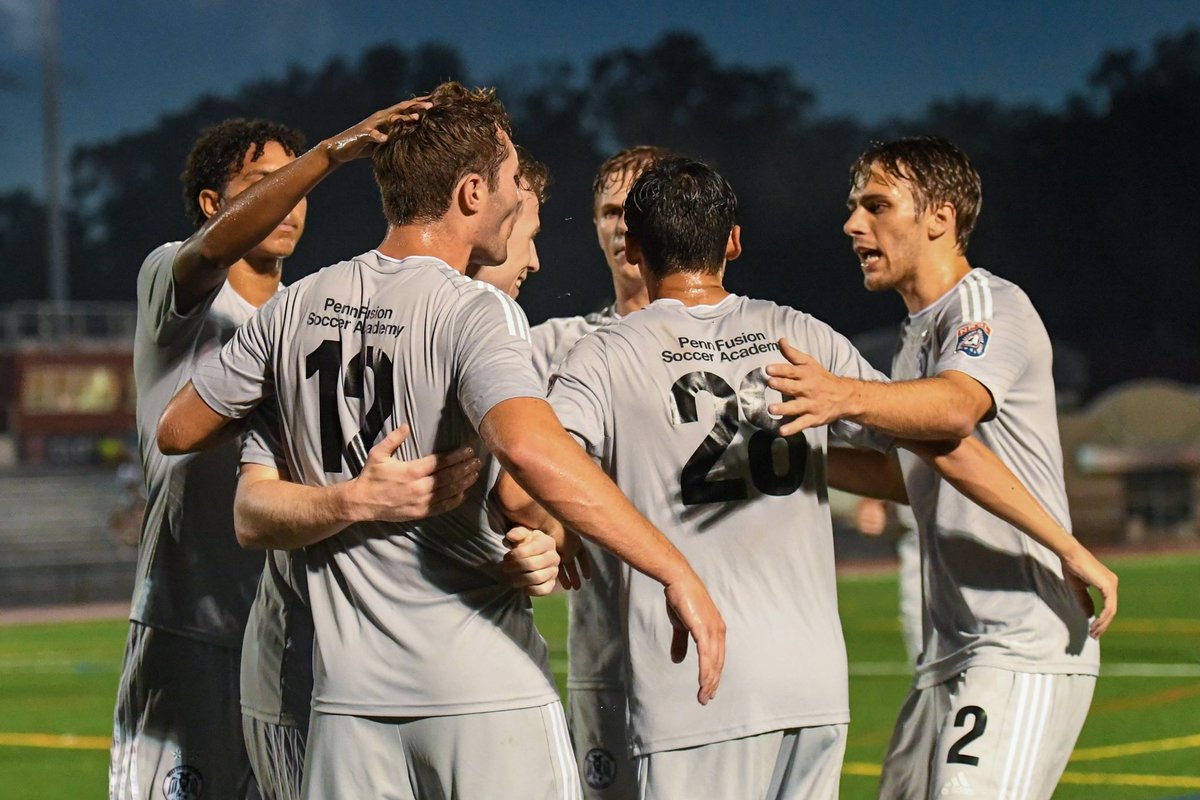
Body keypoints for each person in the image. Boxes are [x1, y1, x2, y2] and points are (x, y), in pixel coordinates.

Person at [156, 82, 725, 799]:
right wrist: (673, 569)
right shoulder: (474, 309)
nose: (517, 198)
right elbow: (530, 452)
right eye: (511, 179)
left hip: (347, 705)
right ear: (471, 193)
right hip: (478, 687)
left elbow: (178, 429)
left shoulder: (295, 305)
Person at [494, 156, 1115, 800]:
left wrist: (557, 522)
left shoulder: (602, 353)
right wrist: (1065, 544)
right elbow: (943, 448)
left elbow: (519, 486)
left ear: (636, 248)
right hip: (811, 684)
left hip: (695, 679)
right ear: (733, 242)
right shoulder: (799, 333)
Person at [109, 101, 483, 800]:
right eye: (264, 183)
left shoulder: (306, 315)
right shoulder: (172, 281)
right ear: (212, 203)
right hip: (188, 623)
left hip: (288, 631)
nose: (290, 200)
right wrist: (330, 155)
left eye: (296, 185)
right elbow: (211, 252)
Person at [765, 136, 1118, 799]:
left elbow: (956, 410)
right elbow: (913, 475)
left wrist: (842, 394)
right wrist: (789, 455)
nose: (852, 224)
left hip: (1022, 641)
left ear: (940, 218)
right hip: (950, 649)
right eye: (853, 207)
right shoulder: (915, 337)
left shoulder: (987, 306)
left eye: (876, 205)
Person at [232, 143, 561, 800]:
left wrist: (540, 541)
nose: (532, 259)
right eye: (525, 232)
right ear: (479, 211)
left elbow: (520, 504)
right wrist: (353, 500)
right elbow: (236, 494)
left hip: (403, 684)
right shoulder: (317, 321)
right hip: (314, 674)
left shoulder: (495, 342)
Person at [525, 144, 672, 797]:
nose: (623, 226)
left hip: (704, 645)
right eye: (611, 212)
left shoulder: (727, 342)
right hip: (604, 652)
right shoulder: (555, 346)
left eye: (637, 210)